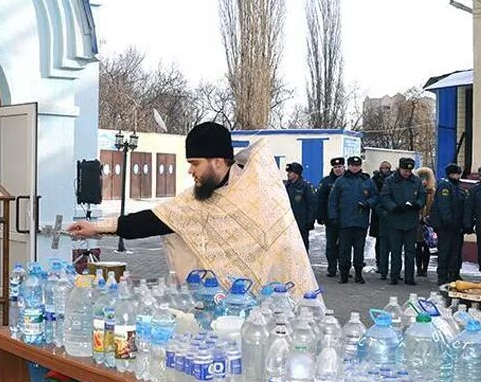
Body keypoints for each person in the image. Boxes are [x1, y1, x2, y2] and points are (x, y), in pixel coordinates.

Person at [66, 121, 318, 295]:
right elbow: (153, 220)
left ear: (218, 161)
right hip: (227, 308)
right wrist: (96, 227)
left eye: (195, 163)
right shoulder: (197, 200)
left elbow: (283, 247)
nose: (190, 171)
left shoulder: (260, 190)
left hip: (280, 305)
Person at [329, 156, 377, 284]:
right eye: (352, 165)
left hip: (361, 221)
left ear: (360, 166)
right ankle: (344, 274)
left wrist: (368, 203)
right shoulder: (341, 181)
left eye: (357, 165)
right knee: (344, 249)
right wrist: (333, 216)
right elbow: (333, 200)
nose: (355, 168)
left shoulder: (367, 181)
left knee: (359, 249)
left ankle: (359, 274)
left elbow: (376, 197)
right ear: (348, 166)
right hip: (345, 221)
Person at [380, 158, 427, 286]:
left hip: (411, 220)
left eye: (409, 170)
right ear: (399, 168)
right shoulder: (390, 181)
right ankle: (394, 276)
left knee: (410, 251)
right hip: (395, 220)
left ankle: (409, 277)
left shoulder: (415, 181)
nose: (407, 173)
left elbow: (422, 196)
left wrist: (417, 205)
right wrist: (394, 207)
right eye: (405, 170)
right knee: (395, 250)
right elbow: (384, 197)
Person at [430, 163, 468, 285]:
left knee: (456, 252)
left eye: (458, 174)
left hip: (457, 226)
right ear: (450, 174)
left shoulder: (458, 187)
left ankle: (454, 274)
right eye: (455, 174)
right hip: (446, 226)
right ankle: (443, 275)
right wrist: (449, 221)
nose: (457, 176)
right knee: (445, 251)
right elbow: (444, 206)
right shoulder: (445, 186)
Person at [316, 157, 345, 277]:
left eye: (340, 167)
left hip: (345, 218)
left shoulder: (347, 180)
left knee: (344, 245)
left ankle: (344, 268)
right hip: (330, 219)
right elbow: (320, 200)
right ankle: (332, 268)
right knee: (331, 245)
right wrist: (320, 216)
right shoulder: (326, 181)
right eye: (335, 167)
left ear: (344, 167)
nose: (338, 169)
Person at [285, 162, 317, 251]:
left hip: (302, 223)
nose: (288, 174)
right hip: (289, 223)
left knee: (301, 247)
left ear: (296, 174)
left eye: (290, 172)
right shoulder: (287, 186)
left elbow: (312, 204)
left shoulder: (306, 186)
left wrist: (310, 221)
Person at [369, 161, 393, 280]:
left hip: (391, 212)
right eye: (383, 168)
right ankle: (380, 263)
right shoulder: (375, 179)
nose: (385, 169)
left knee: (392, 241)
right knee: (380, 240)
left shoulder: (393, 179)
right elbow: (373, 194)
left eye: (387, 168)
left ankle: (389, 266)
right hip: (378, 213)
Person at [414, 167, 436, 278]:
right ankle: (419, 268)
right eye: (421, 178)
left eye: (426, 178)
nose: (424, 180)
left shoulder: (433, 192)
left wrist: (429, 218)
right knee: (418, 246)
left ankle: (425, 269)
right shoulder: (415, 191)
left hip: (428, 223)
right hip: (417, 222)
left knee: (427, 246)